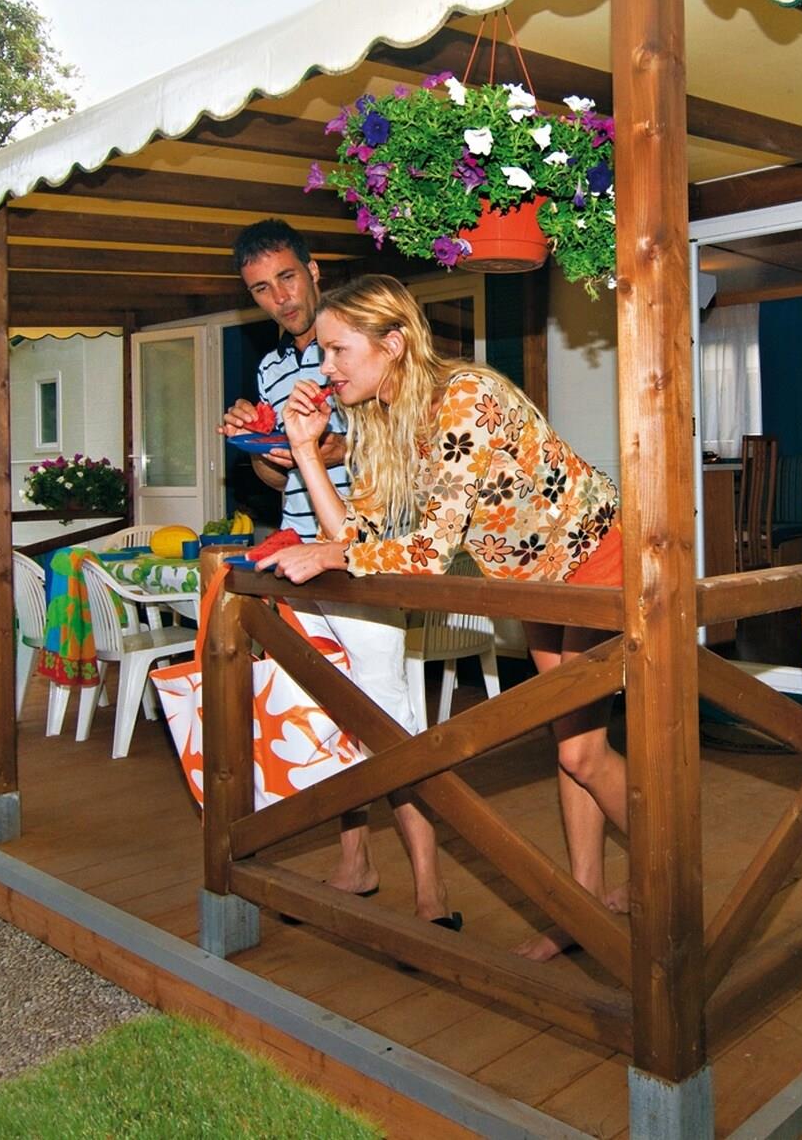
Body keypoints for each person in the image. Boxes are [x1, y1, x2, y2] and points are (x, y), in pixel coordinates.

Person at [260, 274, 628, 962]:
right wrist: (306, 449)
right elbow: (357, 536)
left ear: (392, 344)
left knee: (581, 751)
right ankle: (585, 906)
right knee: (573, 746)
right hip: (532, 582)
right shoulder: (379, 419)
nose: (326, 366)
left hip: (595, 558)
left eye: (339, 350)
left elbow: (427, 553)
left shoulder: (464, 397)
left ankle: (674, 881)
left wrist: (337, 552)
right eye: (324, 353)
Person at [218, 222, 454, 930]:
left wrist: (325, 446)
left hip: (364, 555)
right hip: (301, 552)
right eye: (262, 288)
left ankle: (431, 890)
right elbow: (276, 476)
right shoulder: (270, 367)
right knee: (328, 710)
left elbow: (388, 437)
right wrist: (258, 444)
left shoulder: (359, 338)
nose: (280, 297)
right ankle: (356, 863)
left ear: (314, 268)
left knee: (388, 717)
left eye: (287, 277)